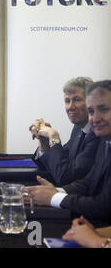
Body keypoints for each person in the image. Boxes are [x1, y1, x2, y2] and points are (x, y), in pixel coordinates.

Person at [27, 80, 111, 222]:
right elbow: (88, 182)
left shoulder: (98, 138)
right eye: (91, 111)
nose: (95, 118)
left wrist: (54, 197)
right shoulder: (101, 140)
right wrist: (45, 142)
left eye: (103, 109)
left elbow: (103, 206)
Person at [29, 77, 100, 185]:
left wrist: (53, 136)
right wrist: (44, 141)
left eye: (77, 100)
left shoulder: (98, 135)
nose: (70, 107)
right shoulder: (78, 128)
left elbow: (65, 177)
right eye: (67, 101)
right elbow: (55, 165)